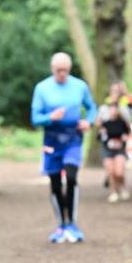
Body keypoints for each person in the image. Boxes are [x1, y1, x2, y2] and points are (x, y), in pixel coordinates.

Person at [31, 53, 98, 243]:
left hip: (73, 138)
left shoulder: (79, 86)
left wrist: (89, 122)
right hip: (51, 138)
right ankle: (61, 224)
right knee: (54, 182)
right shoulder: (42, 88)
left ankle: (72, 224)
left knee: (70, 176)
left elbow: (92, 107)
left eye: (65, 71)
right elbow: (35, 118)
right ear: (52, 69)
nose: (62, 74)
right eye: (58, 70)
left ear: (69, 69)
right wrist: (50, 117)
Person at [96, 99, 131, 202]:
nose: (113, 111)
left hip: (119, 149)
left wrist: (122, 140)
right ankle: (114, 192)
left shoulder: (122, 123)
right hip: (107, 150)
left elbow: (127, 133)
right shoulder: (105, 124)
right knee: (111, 172)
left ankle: (123, 187)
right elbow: (99, 137)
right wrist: (102, 134)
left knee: (119, 172)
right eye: (111, 109)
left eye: (115, 109)